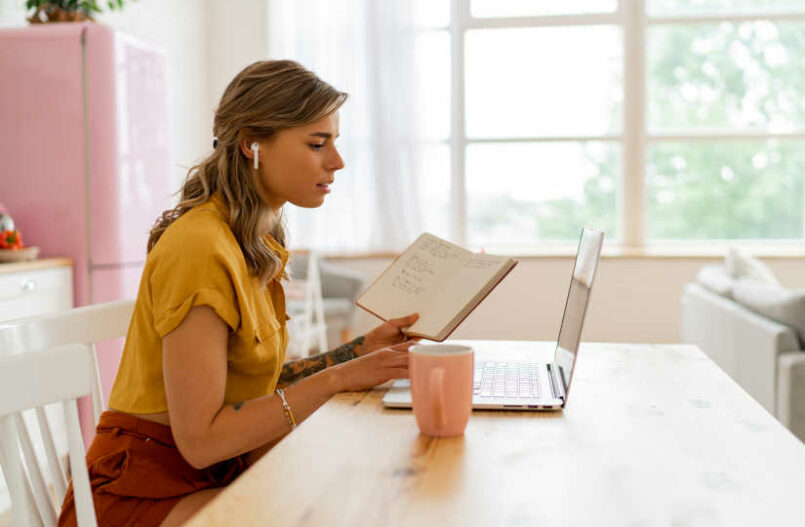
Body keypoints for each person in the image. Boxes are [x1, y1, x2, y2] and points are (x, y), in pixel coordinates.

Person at [58, 60, 418, 527]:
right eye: (317, 143)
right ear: (252, 144)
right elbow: (203, 439)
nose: (337, 162)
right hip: (141, 492)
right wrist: (336, 379)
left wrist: (359, 353)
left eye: (335, 142)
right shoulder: (200, 248)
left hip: (207, 474)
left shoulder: (254, 238)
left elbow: (252, 386)